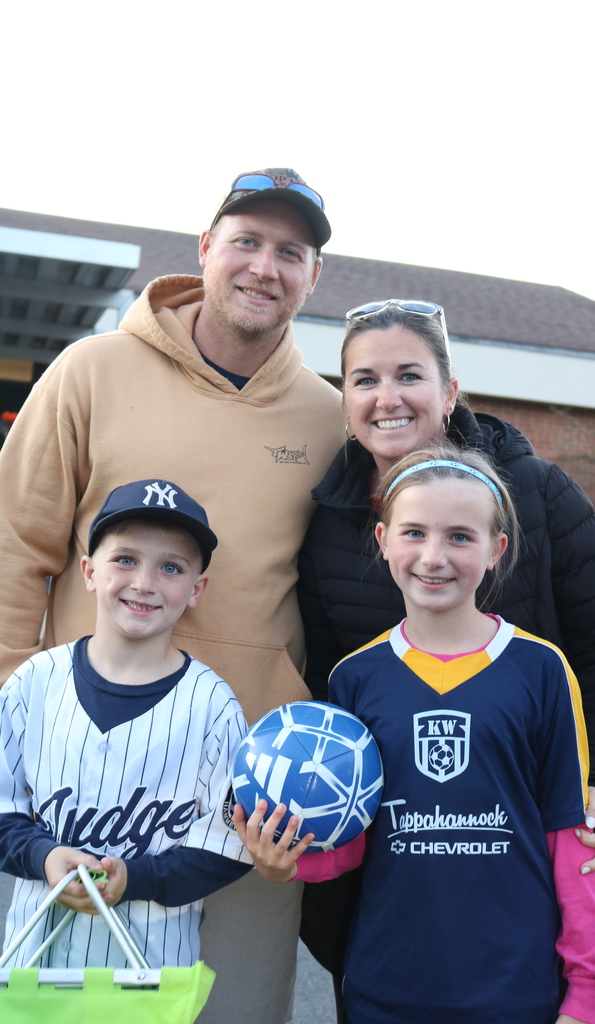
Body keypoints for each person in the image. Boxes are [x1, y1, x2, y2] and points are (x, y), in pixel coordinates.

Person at [0, 169, 342, 1022]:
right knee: (71, 1006)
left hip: (251, 796)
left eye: (289, 252)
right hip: (85, 784)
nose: (264, 267)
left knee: (235, 1009)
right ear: (204, 249)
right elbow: (14, 547)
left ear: (313, 276)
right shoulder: (91, 372)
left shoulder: (328, 418)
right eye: (246, 242)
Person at [296, 299, 595, 998]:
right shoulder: (326, 522)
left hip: (511, 870)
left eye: (410, 375)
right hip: (391, 889)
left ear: (450, 391)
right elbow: (321, 689)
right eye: (365, 379)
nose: (387, 398)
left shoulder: (537, 493)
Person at [237, 446, 595, 1024]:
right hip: (386, 986)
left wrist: (585, 996)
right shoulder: (355, 677)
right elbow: (353, 839)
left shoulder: (542, 669)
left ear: (497, 550)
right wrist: (287, 864)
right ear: (384, 540)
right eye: (414, 532)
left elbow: (571, 840)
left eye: (460, 537)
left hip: (514, 990)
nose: (433, 557)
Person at [0, 479, 252, 968]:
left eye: (171, 567)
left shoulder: (212, 706)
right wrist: (43, 856)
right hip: (33, 968)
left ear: (196, 589)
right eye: (125, 559)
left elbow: (229, 844)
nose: (144, 583)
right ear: (89, 572)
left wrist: (136, 878)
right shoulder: (35, 681)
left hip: (152, 973)